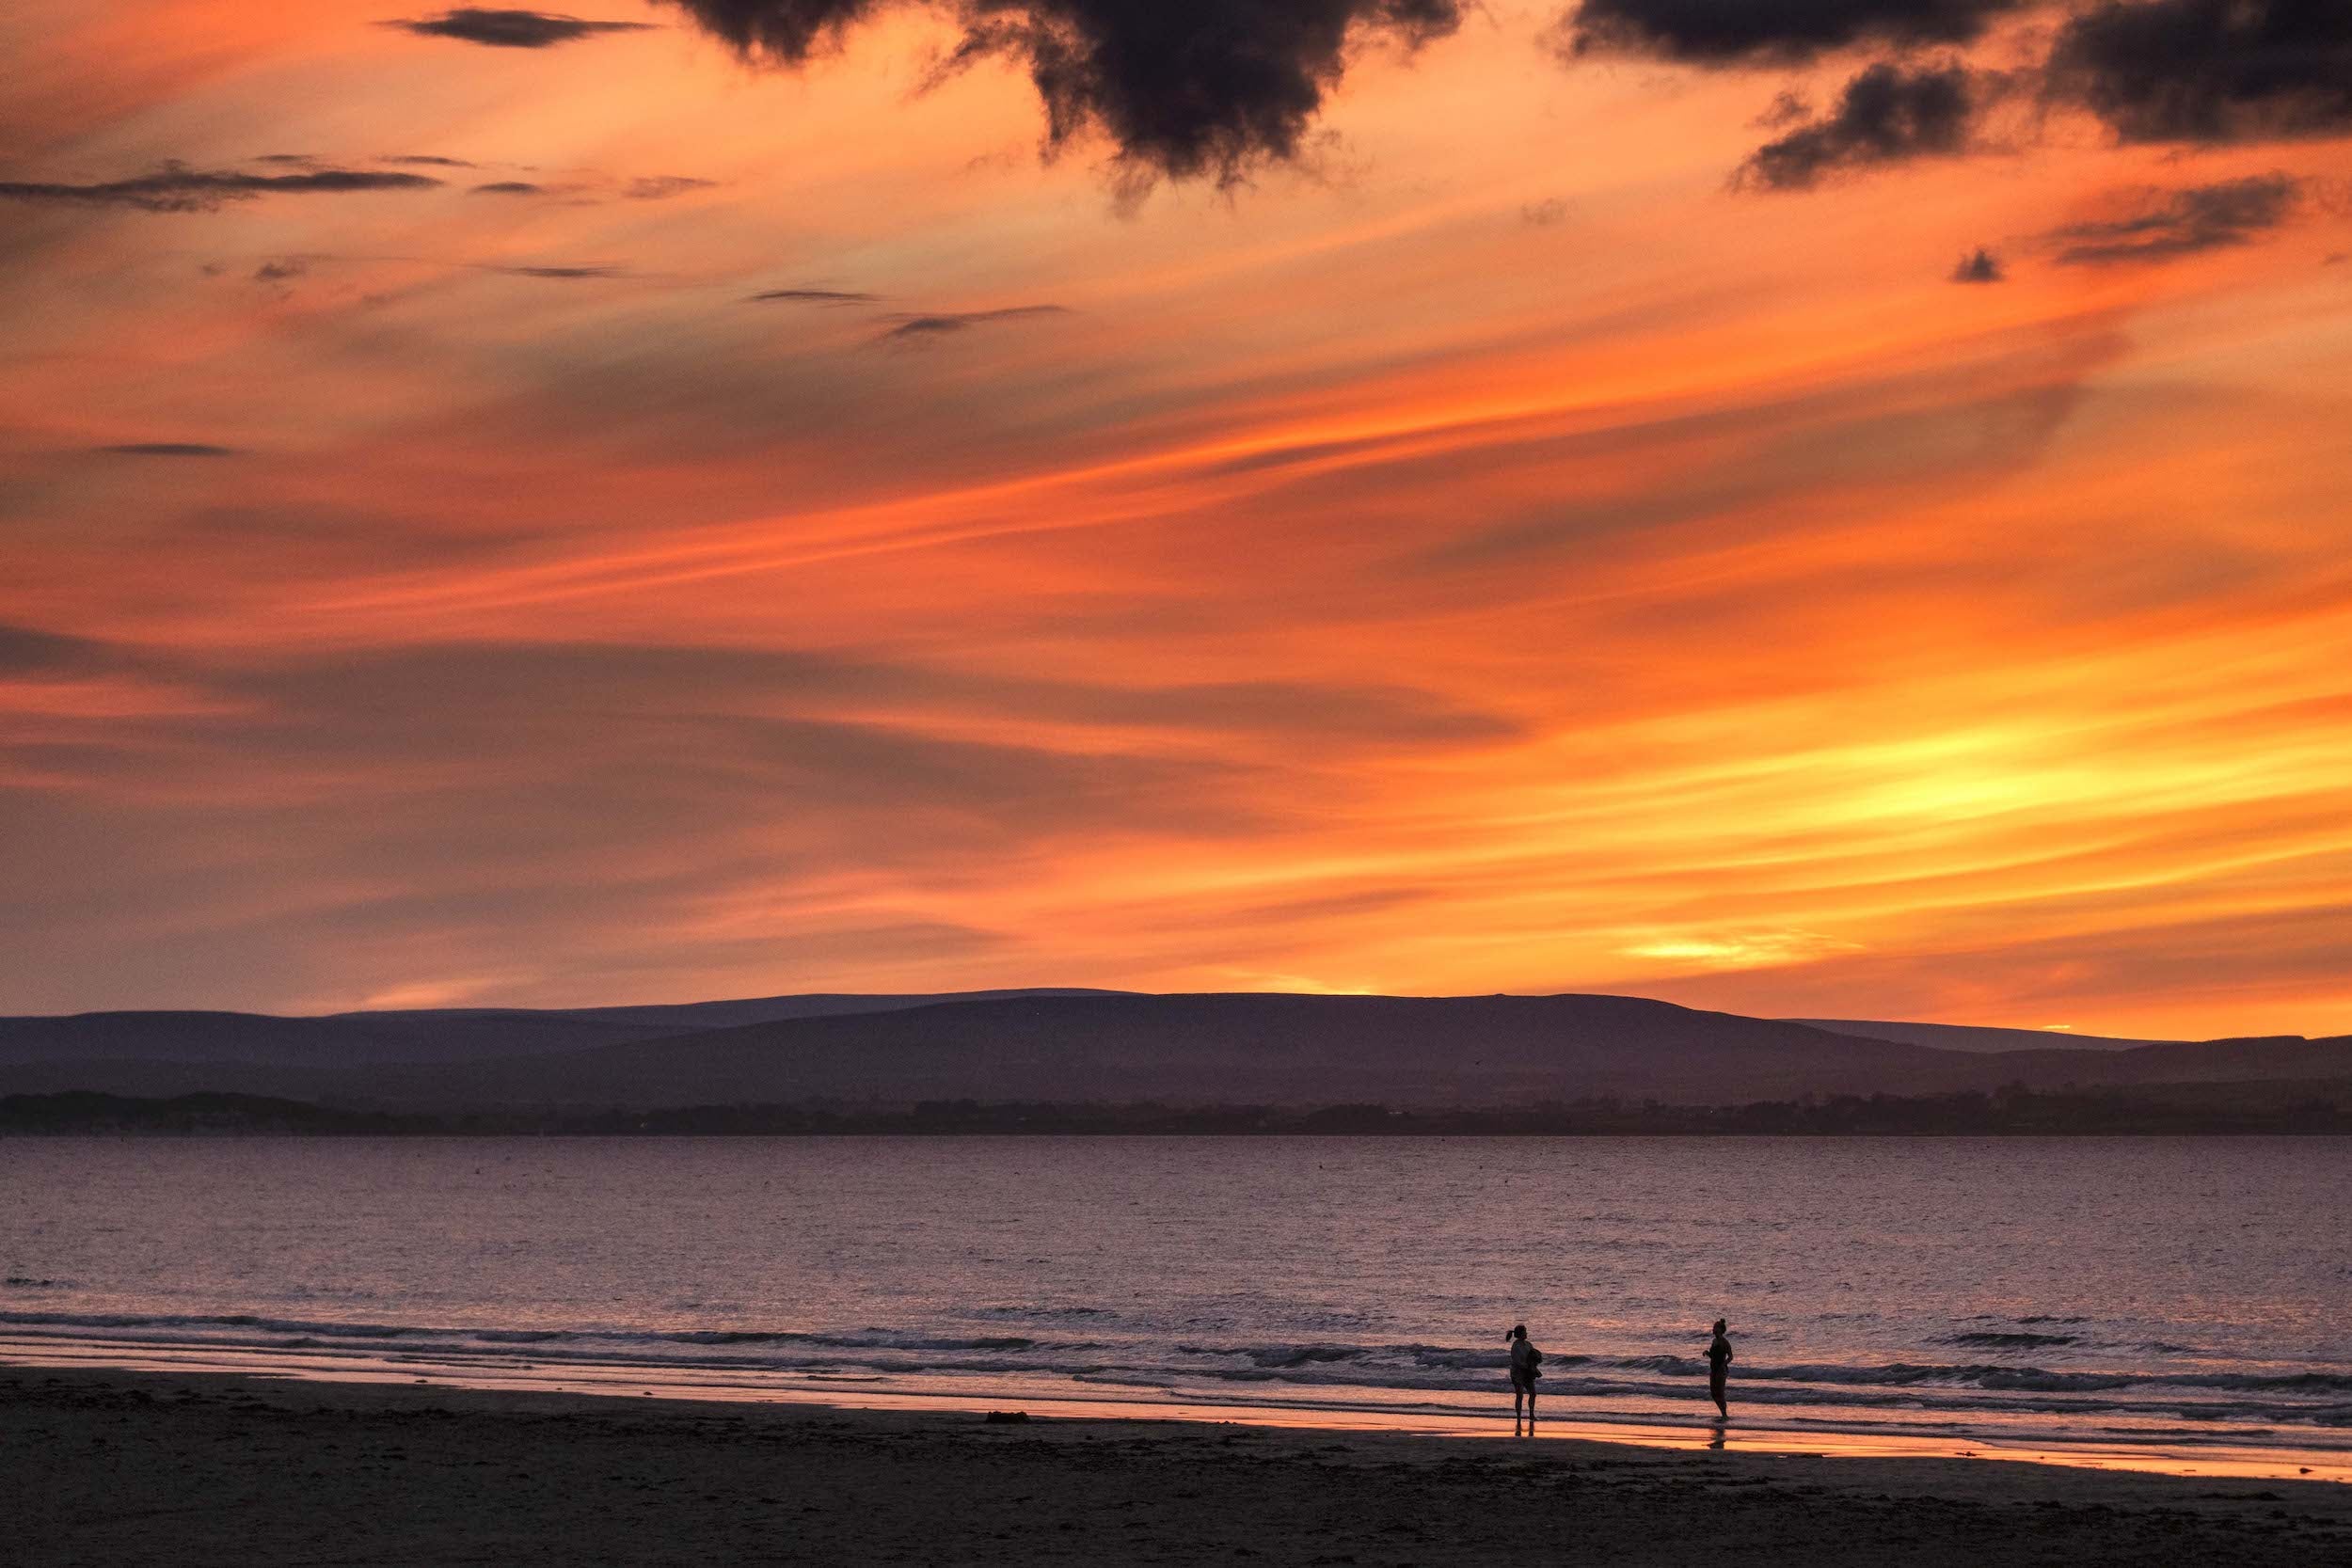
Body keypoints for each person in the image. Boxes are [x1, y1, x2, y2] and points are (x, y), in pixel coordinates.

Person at [1507, 1323, 1543, 1433]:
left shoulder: (1528, 1344)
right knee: (1520, 1396)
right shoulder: (1516, 1346)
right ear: (1520, 1333)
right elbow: (1517, 1361)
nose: (1526, 1333)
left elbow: (1532, 1357)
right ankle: (1518, 1419)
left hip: (1528, 1372)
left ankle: (1531, 1415)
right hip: (1517, 1373)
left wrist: (1535, 1365)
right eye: (1525, 1331)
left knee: (1533, 1393)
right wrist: (1527, 1367)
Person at [1706, 1318, 1733, 1420]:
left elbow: (1730, 1357)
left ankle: (1724, 1414)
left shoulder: (1725, 1342)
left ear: (1721, 1330)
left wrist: (1724, 1363)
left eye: (1715, 1328)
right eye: (1713, 1328)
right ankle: (1723, 1413)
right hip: (1713, 1369)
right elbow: (1713, 1356)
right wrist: (1707, 1353)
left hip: (1721, 1371)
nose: (1713, 1329)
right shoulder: (1714, 1341)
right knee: (1713, 1393)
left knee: (1720, 1392)